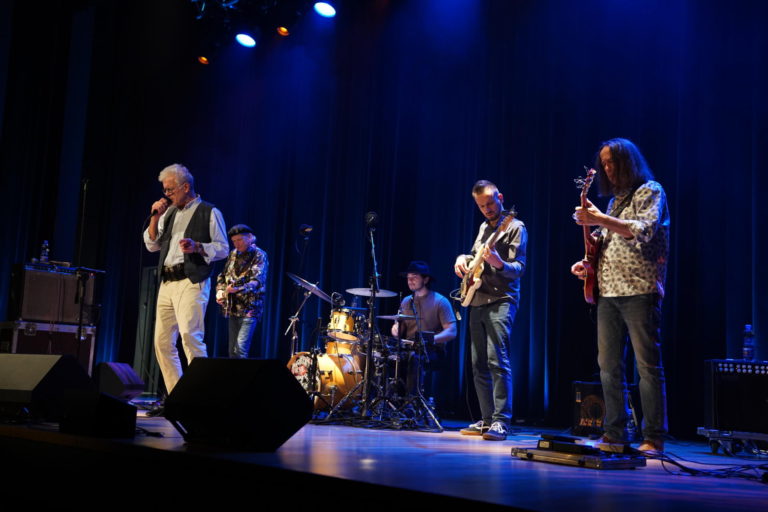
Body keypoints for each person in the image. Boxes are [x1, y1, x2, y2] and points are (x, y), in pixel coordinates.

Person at [570, 138, 670, 453]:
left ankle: (653, 436)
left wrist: (599, 218)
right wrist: (587, 263)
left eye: (612, 162)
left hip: (639, 289)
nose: (607, 169)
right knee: (608, 366)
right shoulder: (616, 200)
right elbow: (606, 238)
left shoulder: (650, 191)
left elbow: (643, 230)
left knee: (647, 366)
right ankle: (614, 433)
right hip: (608, 291)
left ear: (628, 162)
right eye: (604, 163)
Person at [144, 164, 228, 413]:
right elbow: (152, 244)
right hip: (167, 283)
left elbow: (223, 248)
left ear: (186, 187)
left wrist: (198, 246)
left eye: (170, 190)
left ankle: (200, 400)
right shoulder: (168, 213)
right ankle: (177, 398)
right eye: (165, 190)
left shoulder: (209, 212)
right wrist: (155, 216)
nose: (166, 194)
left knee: (191, 338)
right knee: (162, 342)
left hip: (191, 281)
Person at [454, 180, 527, 441]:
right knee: (478, 364)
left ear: (500, 197)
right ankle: (486, 420)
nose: (487, 209)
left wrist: (499, 263)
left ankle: (501, 421)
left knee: (498, 360)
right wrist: (462, 259)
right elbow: (475, 256)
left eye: (490, 203)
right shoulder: (484, 227)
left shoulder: (515, 227)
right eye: (481, 206)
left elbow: (519, 268)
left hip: (501, 299)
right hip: (477, 299)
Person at [390, 261, 457, 397]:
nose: (410, 280)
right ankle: (390, 400)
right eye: (408, 277)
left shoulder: (440, 301)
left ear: (425, 279)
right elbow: (400, 330)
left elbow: (452, 331)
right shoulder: (406, 301)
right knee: (387, 356)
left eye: (414, 277)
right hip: (409, 347)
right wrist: (395, 329)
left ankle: (411, 401)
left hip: (432, 350)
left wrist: (430, 339)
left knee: (415, 358)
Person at [215, 224, 268, 358]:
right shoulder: (233, 254)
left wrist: (237, 288)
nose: (236, 244)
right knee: (232, 351)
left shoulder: (259, 254)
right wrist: (220, 291)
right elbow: (222, 276)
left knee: (240, 350)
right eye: (234, 241)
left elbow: (257, 281)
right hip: (232, 307)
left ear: (250, 238)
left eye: (239, 240)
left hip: (250, 308)